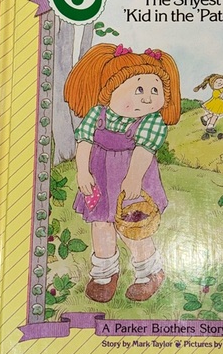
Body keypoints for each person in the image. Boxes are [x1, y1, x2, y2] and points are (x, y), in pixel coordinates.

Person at [64, 43, 181, 303]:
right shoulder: (98, 114)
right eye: (139, 89)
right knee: (100, 223)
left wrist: (133, 178)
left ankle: (149, 272)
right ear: (111, 91)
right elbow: (84, 142)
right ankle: (104, 274)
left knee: (134, 227)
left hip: (132, 180)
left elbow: (144, 151)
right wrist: (82, 172)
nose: (148, 98)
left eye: (155, 90)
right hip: (99, 178)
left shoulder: (151, 120)